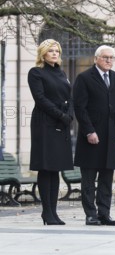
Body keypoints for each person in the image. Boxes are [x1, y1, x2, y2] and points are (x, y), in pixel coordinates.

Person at [73, 45, 115, 226]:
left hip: (112, 137)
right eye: (105, 57)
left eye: (111, 58)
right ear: (96, 58)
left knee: (106, 178)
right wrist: (89, 130)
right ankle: (91, 214)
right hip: (91, 137)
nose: (109, 60)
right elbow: (79, 108)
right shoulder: (84, 78)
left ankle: (104, 213)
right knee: (89, 179)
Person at [28, 39, 74, 225]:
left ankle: (53, 212)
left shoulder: (62, 73)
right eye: (50, 51)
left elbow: (69, 97)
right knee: (45, 168)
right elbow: (40, 99)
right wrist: (61, 115)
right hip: (44, 123)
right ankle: (47, 212)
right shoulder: (36, 72)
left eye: (57, 51)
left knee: (55, 169)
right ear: (43, 54)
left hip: (61, 123)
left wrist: (69, 114)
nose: (55, 54)